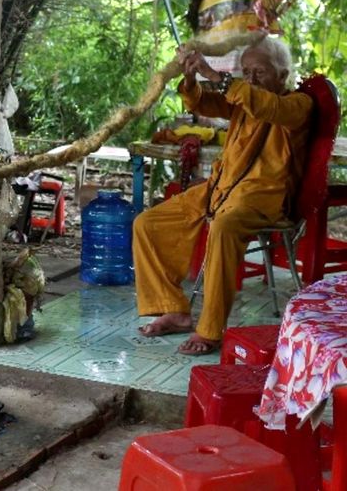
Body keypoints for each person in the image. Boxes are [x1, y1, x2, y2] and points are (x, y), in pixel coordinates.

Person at [132, 37, 312, 355]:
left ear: (282, 75)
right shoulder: (243, 101)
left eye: (259, 72)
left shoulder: (296, 105)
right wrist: (190, 79)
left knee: (225, 226)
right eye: (246, 73)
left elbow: (267, 106)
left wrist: (216, 75)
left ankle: (211, 330)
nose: (251, 79)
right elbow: (203, 103)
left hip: (260, 198)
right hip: (220, 188)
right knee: (148, 223)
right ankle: (174, 309)